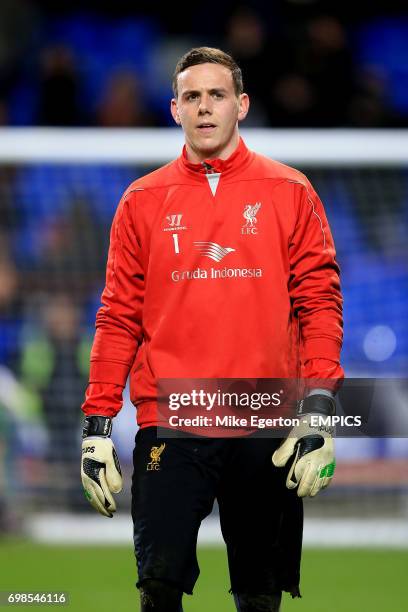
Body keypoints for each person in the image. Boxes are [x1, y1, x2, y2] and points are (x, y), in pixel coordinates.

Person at [80, 47, 343, 611]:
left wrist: (318, 411)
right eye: (192, 97)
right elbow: (118, 315)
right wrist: (96, 425)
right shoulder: (141, 201)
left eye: (217, 95)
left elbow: (320, 305)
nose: (205, 108)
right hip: (172, 417)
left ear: (241, 105)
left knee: (259, 593)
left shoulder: (290, 191)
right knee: (158, 585)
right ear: (175, 109)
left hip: (264, 414)